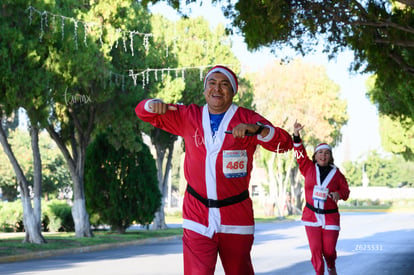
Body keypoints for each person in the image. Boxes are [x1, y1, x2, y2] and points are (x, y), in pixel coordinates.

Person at [135, 65, 293, 275]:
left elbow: (285, 144)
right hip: (197, 213)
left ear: (233, 91)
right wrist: (151, 104)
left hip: (236, 214)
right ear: (205, 89)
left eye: (224, 84)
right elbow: (143, 112)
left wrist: (258, 130)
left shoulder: (248, 118)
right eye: (212, 83)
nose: (217, 89)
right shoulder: (188, 115)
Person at [293, 120, 350, 275]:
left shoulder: (337, 174)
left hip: (330, 217)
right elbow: (299, 155)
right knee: (316, 251)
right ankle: (319, 273)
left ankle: (331, 266)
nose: (323, 155)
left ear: (330, 156)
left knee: (329, 251)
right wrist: (296, 136)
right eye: (320, 152)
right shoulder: (308, 168)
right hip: (311, 215)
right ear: (315, 155)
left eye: (326, 153)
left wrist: (340, 194)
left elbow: (346, 192)